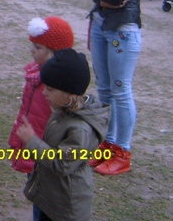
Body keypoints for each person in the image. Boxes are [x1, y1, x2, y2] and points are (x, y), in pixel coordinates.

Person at [84, 0, 149, 175]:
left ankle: (122, 151)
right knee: (105, 90)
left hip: (122, 29)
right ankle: (106, 145)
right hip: (100, 23)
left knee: (121, 91)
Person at [15, 48, 111, 221]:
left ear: (69, 93)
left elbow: (62, 164)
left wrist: (33, 142)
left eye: (50, 89)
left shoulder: (80, 130)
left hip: (66, 209)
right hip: (53, 199)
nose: (44, 93)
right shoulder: (63, 110)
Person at [8, 17, 75, 174]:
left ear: (52, 54)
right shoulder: (34, 75)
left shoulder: (57, 87)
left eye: (38, 47)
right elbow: (26, 111)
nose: (32, 50)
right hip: (31, 142)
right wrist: (17, 139)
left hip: (44, 148)